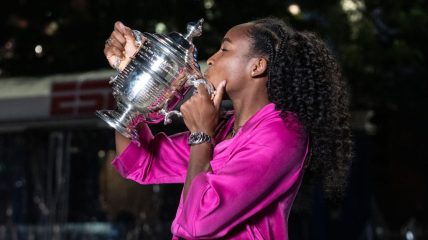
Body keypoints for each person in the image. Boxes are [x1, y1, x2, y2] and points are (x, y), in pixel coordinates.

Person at [103, 17, 352, 239]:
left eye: (224, 49)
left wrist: (201, 136)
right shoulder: (224, 126)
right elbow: (141, 162)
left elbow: (198, 224)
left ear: (257, 66)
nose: (211, 59)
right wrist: (133, 75)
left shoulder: (283, 134)